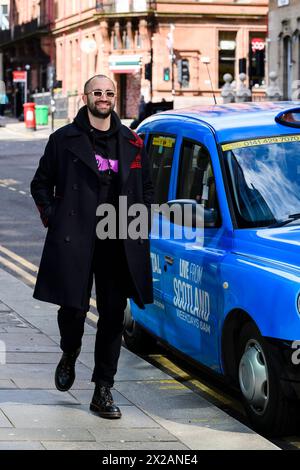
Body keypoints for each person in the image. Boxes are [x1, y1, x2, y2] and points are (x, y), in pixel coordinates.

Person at [30, 74, 154, 419]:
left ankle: (103, 389)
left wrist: (139, 223)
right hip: (76, 236)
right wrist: (54, 217)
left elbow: (146, 189)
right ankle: (70, 351)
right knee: (72, 309)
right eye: (97, 92)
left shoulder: (132, 142)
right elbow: (40, 183)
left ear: (115, 98)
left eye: (109, 93)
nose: (103, 97)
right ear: (86, 97)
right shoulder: (63, 139)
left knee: (113, 314)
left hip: (118, 237)